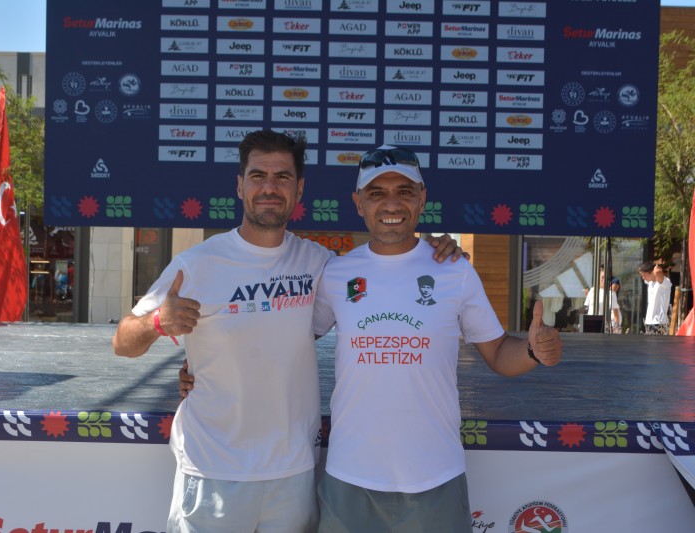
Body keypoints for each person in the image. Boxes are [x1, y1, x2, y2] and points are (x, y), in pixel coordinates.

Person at [112, 131, 463, 533]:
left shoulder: (321, 264)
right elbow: (123, 343)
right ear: (240, 185)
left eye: (282, 177)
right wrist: (157, 322)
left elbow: (387, 271)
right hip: (213, 470)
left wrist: (434, 251)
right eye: (257, 176)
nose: (269, 187)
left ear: (299, 189)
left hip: (294, 474)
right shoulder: (197, 264)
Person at [309, 145, 563, 532]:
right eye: (376, 193)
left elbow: (498, 353)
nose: (391, 203)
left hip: (434, 476)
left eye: (404, 191)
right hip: (349, 477)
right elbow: (292, 339)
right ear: (358, 203)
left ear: (422, 198)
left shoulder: (453, 269)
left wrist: (533, 350)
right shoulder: (336, 273)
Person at [582, 267, 620, 333]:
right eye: (602, 277)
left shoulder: (611, 293)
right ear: (598, 278)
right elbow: (587, 308)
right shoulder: (592, 290)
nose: (604, 280)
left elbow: (615, 312)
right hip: (589, 324)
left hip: (602, 325)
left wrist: (616, 327)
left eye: (606, 278)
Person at [638, 260, 672, 335]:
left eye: (644, 275)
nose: (643, 278)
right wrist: (654, 263)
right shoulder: (650, 282)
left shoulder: (664, 283)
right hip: (649, 321)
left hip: (659, 322)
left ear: (652, 273)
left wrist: (656, 266)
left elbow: (658, 273)